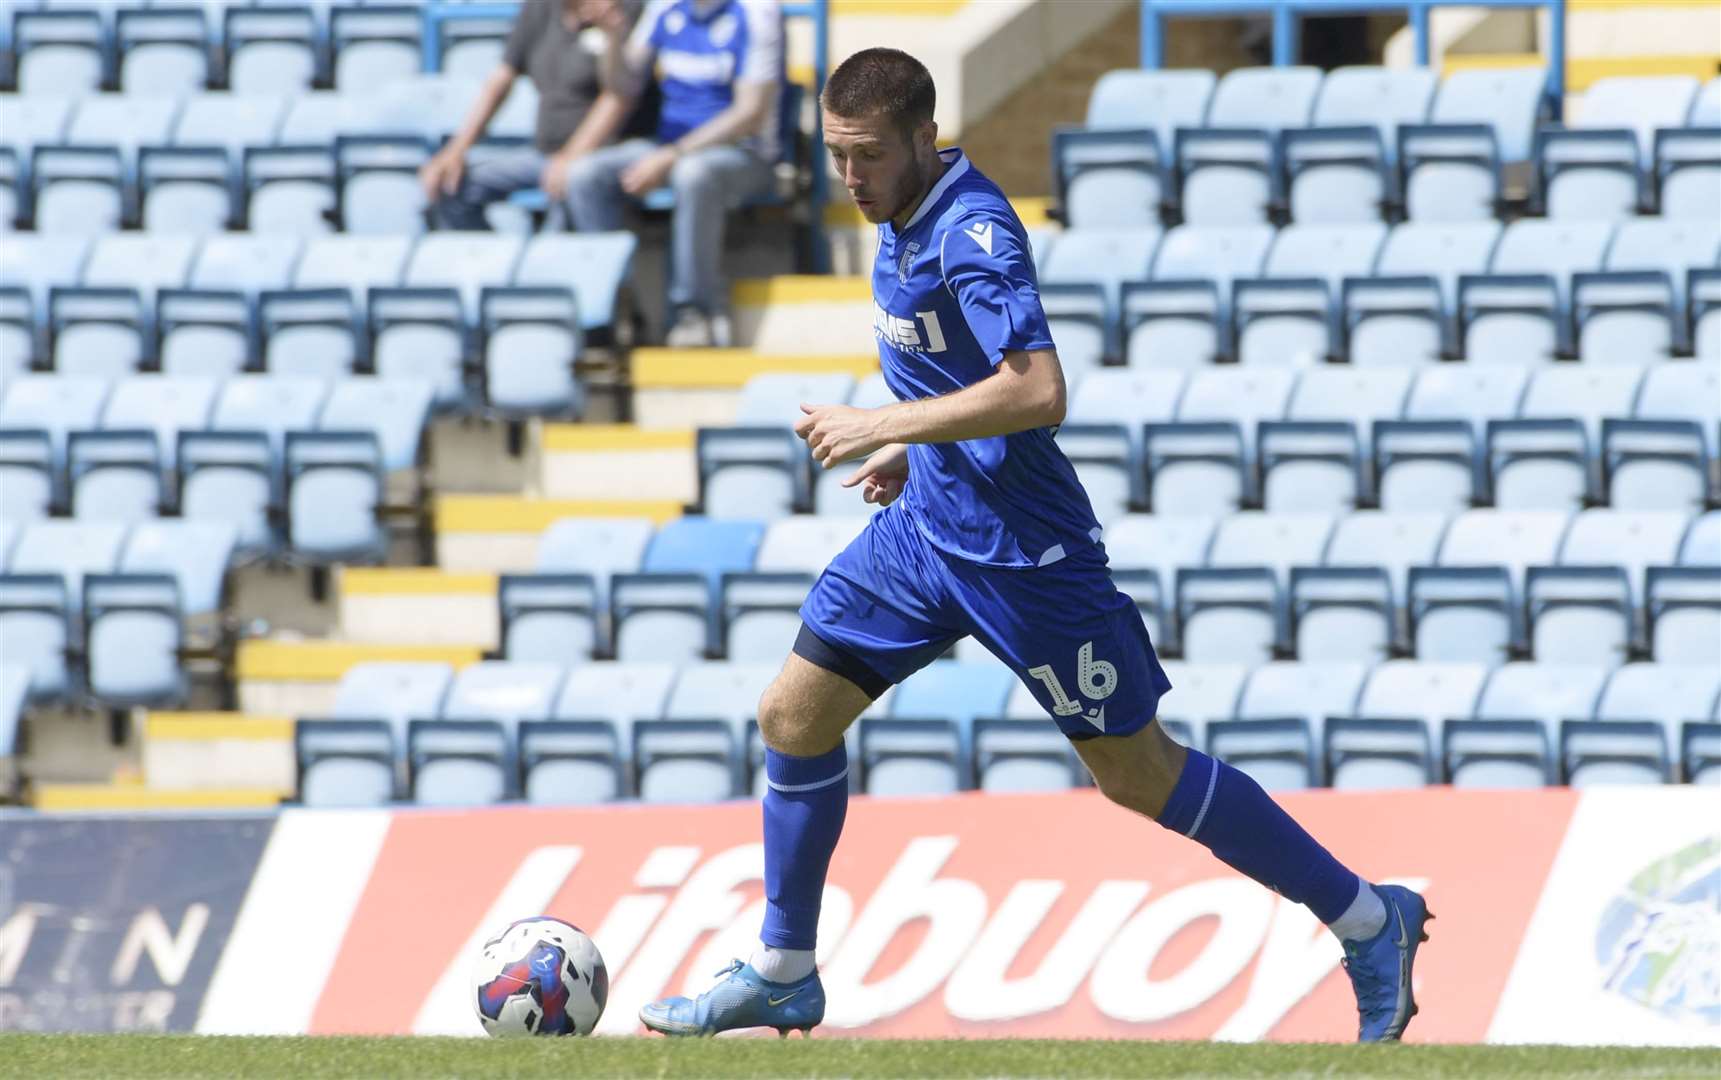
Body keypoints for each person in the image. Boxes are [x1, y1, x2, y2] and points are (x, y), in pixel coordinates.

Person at [638, 47, 1433, 1043]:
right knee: (791, 717)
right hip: (926, 534)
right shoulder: (898, 212)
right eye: (837, 156)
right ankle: (784, 968)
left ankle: (1367, 918)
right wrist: (915, 450)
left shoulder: (973, 232)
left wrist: (885, 425)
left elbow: (1036, 389)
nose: (849, 178)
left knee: (1136, 775)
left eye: (868, 156)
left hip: (1024, 554)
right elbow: (951, 374)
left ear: (924, 138)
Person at [560, 0, 783, 347]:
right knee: (586, 176)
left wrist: (673, 155)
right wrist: (615, 39)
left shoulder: (757, 12)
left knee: (693, 174)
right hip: (668, 147)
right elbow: (623, 87)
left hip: (745, 155)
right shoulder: (664, 7)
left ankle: (694, 311)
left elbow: (749, 114)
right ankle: (617, 307)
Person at [419, 0, 639, 230]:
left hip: (607, 152)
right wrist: (457, 149)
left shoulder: (625, 10)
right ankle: (491, 264)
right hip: (543, 154)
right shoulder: (539, 9)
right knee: (452, 187)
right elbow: (501, 79)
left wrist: (571, 157)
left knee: (577, 179)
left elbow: (619, 96)